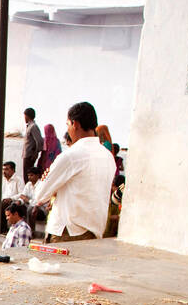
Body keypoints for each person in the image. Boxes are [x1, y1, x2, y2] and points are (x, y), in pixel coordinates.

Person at [29, 102, 117, 243]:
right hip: (94, 231)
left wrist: (51, 185)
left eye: (68, 124)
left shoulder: (71, 156)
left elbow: (40, 195)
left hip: (67, 232)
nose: (68, 129)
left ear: (75, 124)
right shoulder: (107, 156)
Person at [21, 108, 42, 180]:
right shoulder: (29, 126)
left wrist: (35, 154)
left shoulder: (33, 126)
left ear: (27, 116)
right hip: (27, 154)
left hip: (29, 155)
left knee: (28, 177)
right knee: (26, 176)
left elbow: (39, 141)